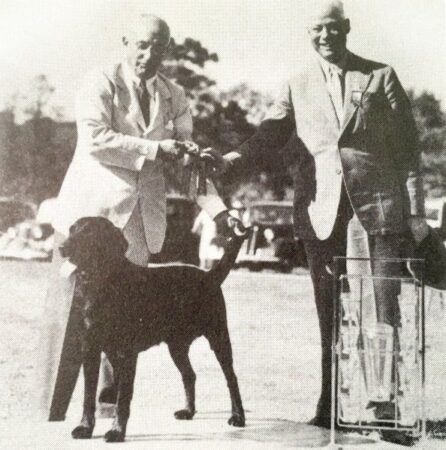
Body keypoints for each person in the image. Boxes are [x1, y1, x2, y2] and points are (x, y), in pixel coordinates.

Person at [203, 0, 429, 428]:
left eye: (331, 28)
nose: (324, 37)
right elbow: (270, 134)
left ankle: (385, 405)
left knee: (382, 309)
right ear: (309, 34)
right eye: (316, 31)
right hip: (319, 213)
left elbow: (408, 150)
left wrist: (415, 211)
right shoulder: (295, 84)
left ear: (346, 27)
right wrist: (232, 160)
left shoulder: (379, 76)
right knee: (328, 313)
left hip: (378, 212)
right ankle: (329, 406)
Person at [35, 14, 234, 421]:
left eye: (158, 46)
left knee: (124, 323)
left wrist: (219, 210)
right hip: (89, 221)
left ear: (167, 49)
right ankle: (51, 417)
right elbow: (95, 139)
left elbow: (186, 162)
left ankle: (108, 417)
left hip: (141, 224)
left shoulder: (175, 94)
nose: (148, 54)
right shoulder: (100, 80)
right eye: (141, 44)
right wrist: (159, 149)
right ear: (126, 41)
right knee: (72, 319)